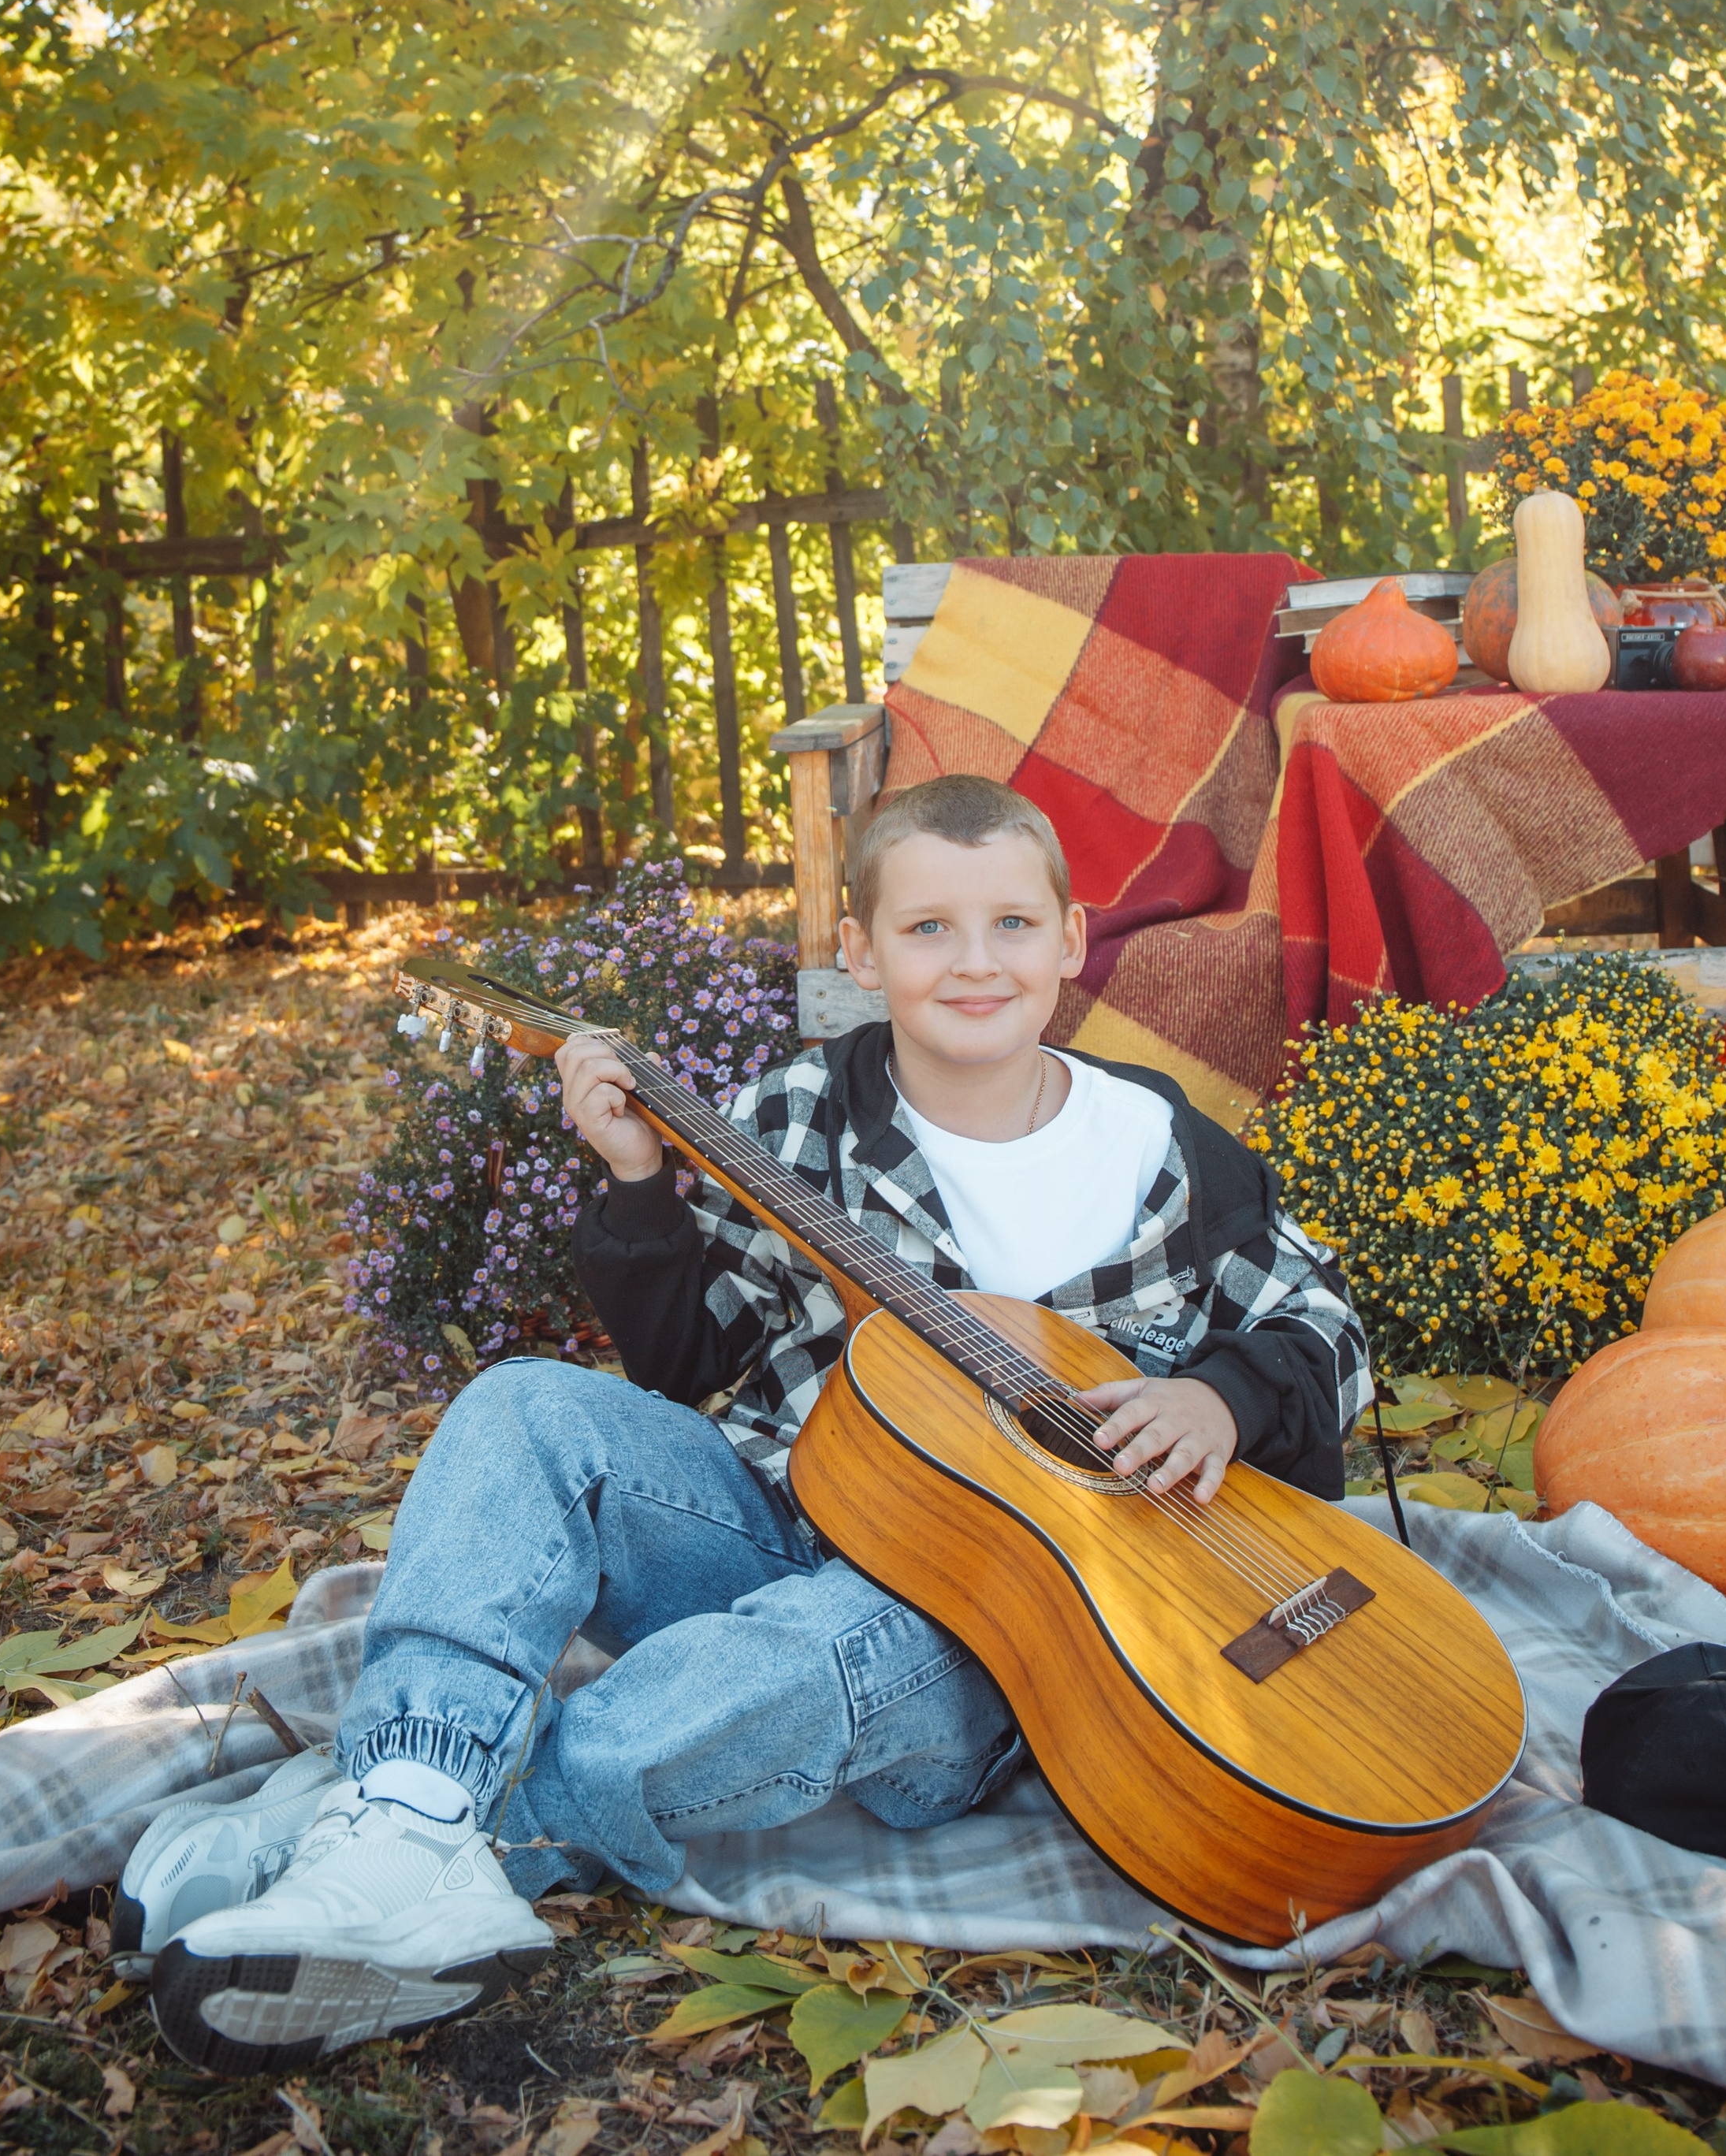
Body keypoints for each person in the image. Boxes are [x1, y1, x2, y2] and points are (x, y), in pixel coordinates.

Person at [141, 774, 1371, 2079]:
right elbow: (690, 1365)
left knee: (829, 1640)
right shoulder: (798, 1119)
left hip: (1014, 1633)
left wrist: (1220, 1396)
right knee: (522, 1407)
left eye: (1013, 924)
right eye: (927, 929)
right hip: (800, 1518)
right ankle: (404, 1827)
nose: (975, 962)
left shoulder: (1157, 1142)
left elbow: (1322, 1326)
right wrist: (635, 1185)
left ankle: (410, 1826)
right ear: (858, 952)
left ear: (1072, 941)